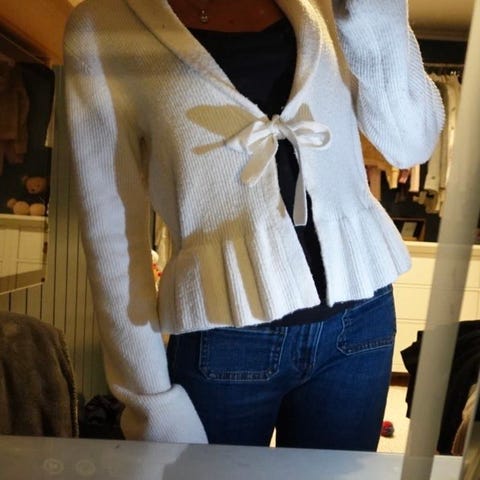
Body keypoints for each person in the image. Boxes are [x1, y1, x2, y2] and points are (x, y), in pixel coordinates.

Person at [63, 0, 444, 450]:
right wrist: (149, 399)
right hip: (225, 336)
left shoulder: (329, 6)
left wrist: (369, 11)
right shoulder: (102, 26)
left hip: (360, 321)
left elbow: (411, 145)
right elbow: (109, 229)